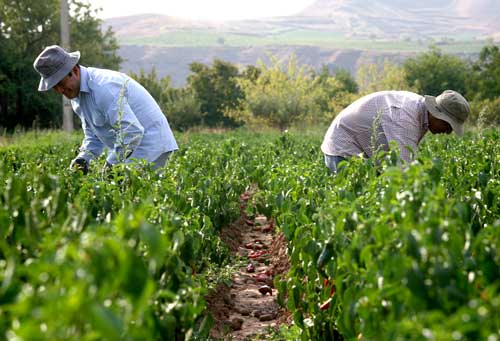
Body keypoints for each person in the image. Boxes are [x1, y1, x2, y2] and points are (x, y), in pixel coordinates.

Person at [33, 45, 178, 174]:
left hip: (151, 144)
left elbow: (132, 131)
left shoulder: (103, 87)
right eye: (55, 87)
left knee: (128, 194)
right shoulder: (77, 98)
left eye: (61, 83)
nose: (60, 90)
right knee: (119, 189)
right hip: (134, 146)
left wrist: (111, 163)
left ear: (75, 70)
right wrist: (83, 158)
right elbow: (94, 135)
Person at [321, 90, 470, 173]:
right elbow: (403, 169)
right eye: (448, 125)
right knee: (355, 206)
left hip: (365, 151)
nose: (448, 132)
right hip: (343, 149)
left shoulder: (420, 112)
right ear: (437, 114)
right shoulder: (405, 119)